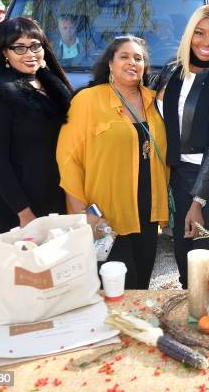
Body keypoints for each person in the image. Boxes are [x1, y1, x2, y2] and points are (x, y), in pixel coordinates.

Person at [57, 36, 169, 289]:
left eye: (138, 58)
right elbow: (68, 158)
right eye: (124, 56)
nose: (132, 62)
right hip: (106, 214)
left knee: (141, 286)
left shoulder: (154, 102)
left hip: (147, 213)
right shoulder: (87, 100)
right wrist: (83, 212)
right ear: (110, 63)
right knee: (115, 289)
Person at [151, 5, 209, 289]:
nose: (207, 42)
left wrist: (197, 201)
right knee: (185, 260)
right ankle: (188, 327)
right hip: (181, 173)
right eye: (200, 33)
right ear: (189, 34)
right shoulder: (169, 71)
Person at [0, 17, 72, 233]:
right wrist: (25, 214)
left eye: (35, 45)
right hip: (18, 208)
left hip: (53, 195)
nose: (30, 54)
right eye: (19, 48)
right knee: (25, 266)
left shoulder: (50, 82)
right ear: (4, 52)